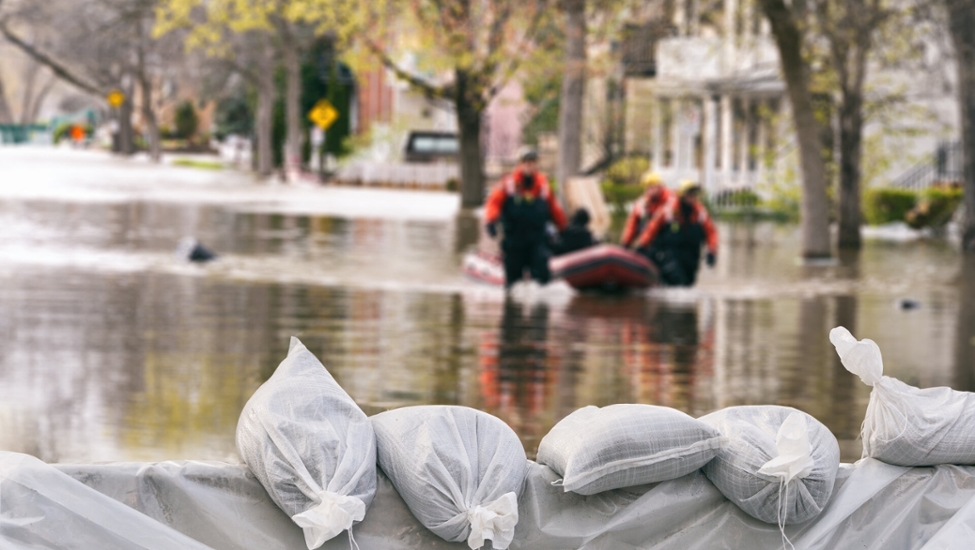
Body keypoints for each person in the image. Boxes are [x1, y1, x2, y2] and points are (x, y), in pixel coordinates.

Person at [484, 148, 567, 288]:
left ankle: (541, 306)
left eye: (532, 162)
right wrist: (491, 220)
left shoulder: (543, 185)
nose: (529, 165)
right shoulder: (508, 184)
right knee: (512, 282)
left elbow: (554, 209)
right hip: (515, 240)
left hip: (537, 239)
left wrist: (564, 228)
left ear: (536, 164)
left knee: (542, 276)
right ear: (520, 164)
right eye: (526, 162)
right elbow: (494, 203)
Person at [634, 180, 718, 286]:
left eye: (694, 194)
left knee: (688, 284)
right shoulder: (668, 210)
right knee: (676, 280)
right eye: (689, 194)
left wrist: (712, 251)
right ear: (682, 195)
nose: (692, 197)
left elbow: (711, 232)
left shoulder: (700, 213)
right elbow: (652, 229)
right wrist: (642, 245)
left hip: (692, 257)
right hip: (671, 254)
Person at [620, 171, 674, 249]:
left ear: (660, 187)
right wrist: (626, 243)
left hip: (665, 244)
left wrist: (642, 243)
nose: (650, 190)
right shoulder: (642, 202)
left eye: (653, 187)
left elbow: (656, 222)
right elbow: (632, 223)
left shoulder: (670, 200)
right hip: (648, 244)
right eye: (648, 187)